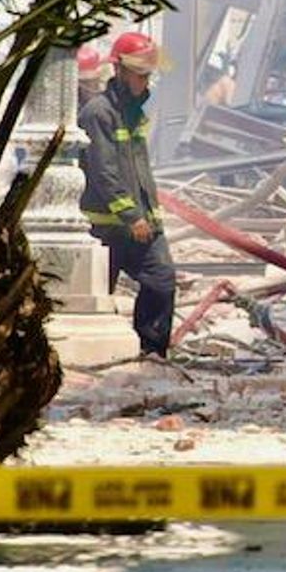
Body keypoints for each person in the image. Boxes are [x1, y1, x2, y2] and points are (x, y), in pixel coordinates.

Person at [77, 31, 176, 356]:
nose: (146, 82)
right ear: (118, 70)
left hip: (141, 223)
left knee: (161, 279)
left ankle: (151, 353)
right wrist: (131, 214)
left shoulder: (132, 112)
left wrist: (148, 214)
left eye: (149, 75)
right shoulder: (98, 113)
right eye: (141, 75)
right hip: (108, 227)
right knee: (96, 298)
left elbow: (137, 169)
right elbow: (104, 171)